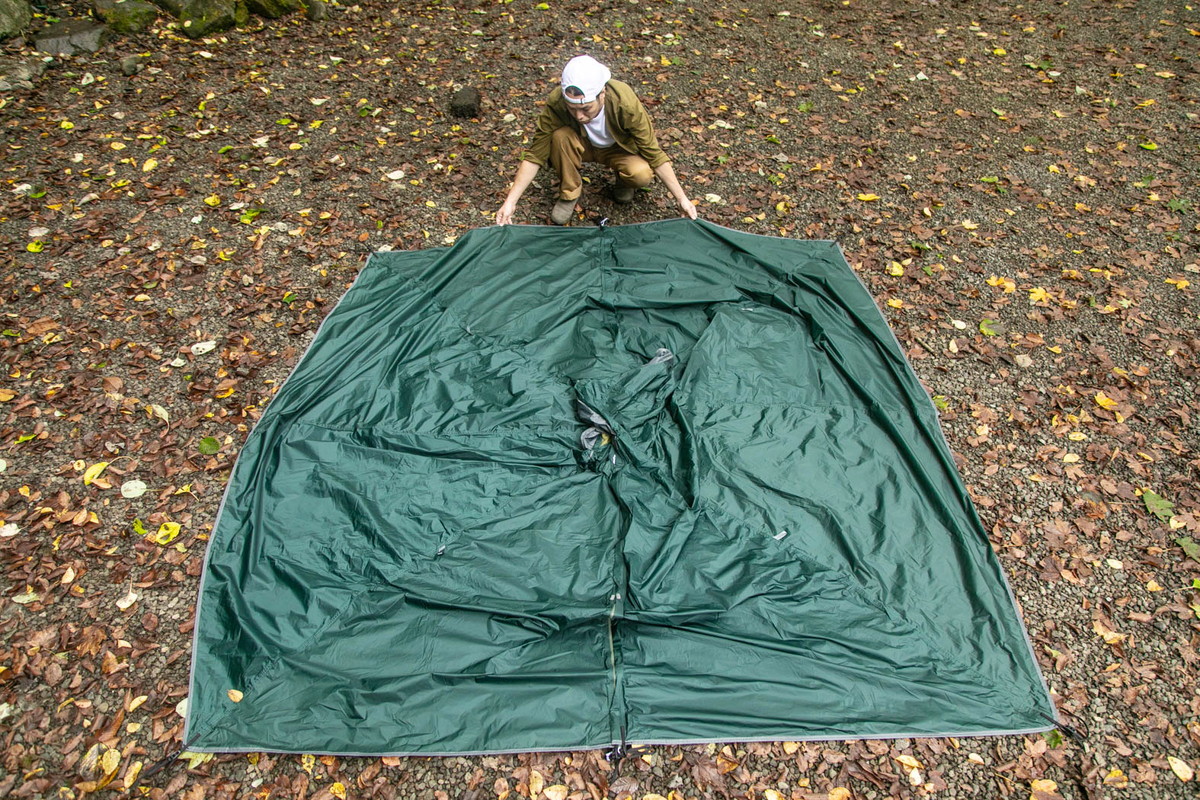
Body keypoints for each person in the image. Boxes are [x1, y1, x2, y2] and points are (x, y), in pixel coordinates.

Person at [496, 55, 698, 225]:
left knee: (641, 174)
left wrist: (682, 199)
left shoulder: (625, 103)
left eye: (586, 109)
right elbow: (535, 154)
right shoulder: (557, 101)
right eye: (572, 109)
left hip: (618, 150)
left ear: (602, 94)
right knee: (559, 137)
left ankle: (623, 181)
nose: (579, 116)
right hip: (582, 146)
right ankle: (569, 193)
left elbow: (653, 153)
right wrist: (510, 202)